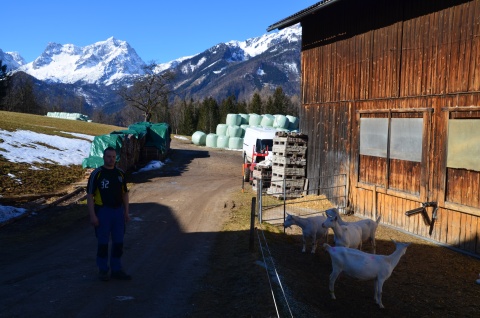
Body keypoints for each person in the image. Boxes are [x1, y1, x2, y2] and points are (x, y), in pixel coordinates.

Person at [87, 146, 131, 281]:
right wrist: (93, 215)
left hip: (118, 212)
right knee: (103, 243)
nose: (111, 159)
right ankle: (103, 270)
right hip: (103, 212)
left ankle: (116, 269)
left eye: (113, 157)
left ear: (115, 158)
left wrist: (126, 212)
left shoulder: (120, 174)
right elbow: (90, 196)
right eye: (108, 156)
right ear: (103, 157)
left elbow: (125, 194)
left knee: (118, 242)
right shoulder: (97, 174)